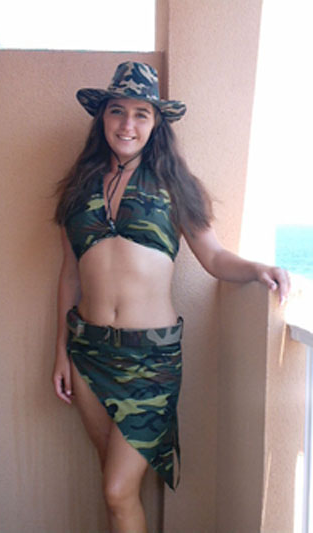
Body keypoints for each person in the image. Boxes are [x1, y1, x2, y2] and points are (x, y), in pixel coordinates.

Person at [52, 61, 290, 533]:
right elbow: (69, 275)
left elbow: (214, 257)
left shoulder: (175, 186)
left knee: (117, 489)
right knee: (115, 485)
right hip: (88, 353)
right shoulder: (78, 188)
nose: (127, 124)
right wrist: (60, 352)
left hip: (151, 359)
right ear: (102, 118)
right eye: (117, 111)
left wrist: (258, 268)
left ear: (156, 123)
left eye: (141, 114)